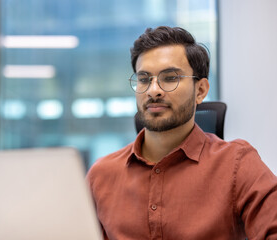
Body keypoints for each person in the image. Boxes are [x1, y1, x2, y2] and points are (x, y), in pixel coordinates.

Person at [86, 26, 277, 240]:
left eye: (170, 78)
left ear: (201, 90)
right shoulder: (101, 175)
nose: (153, 90)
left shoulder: (238, 164)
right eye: (144, 79)